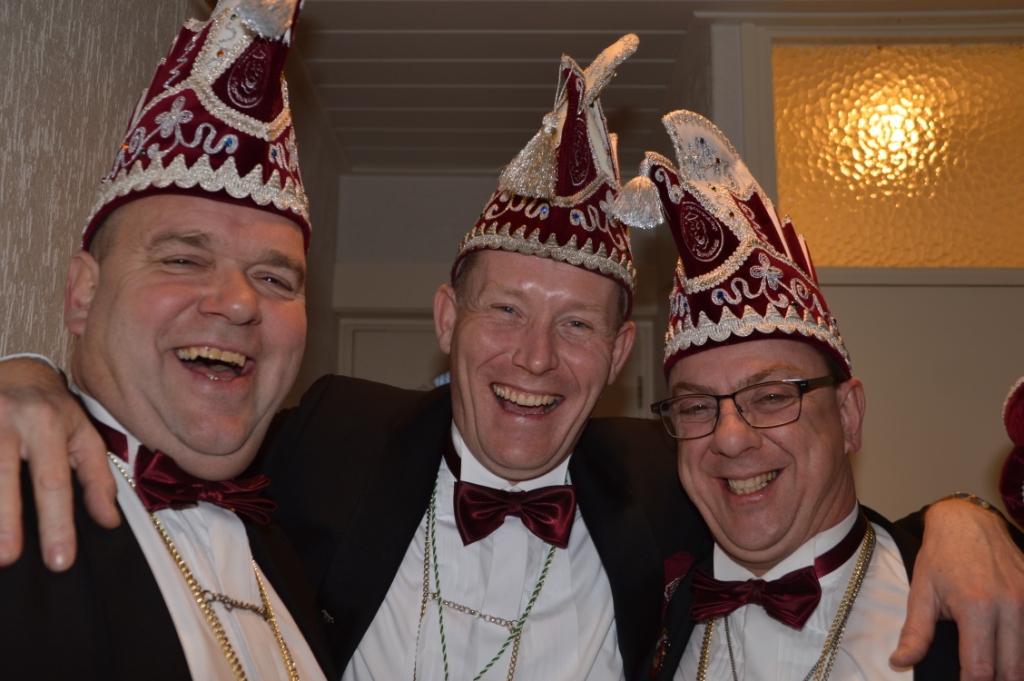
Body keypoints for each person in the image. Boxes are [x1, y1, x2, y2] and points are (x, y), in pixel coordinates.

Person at [2, 34, 1024, 681]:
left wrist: (963, 518)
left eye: (577, 325)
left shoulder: (669, 479)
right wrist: (31, 379)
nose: (536, 358)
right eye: (505, 311)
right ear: (447, 318)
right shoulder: (325, 440)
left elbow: (807, 507)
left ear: (619, 354)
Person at [610, 109, 1024, 679]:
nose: (729, 438)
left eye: (772, 396)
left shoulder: (981, 609)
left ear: (849, 415)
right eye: (697, 406)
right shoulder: (640, 612)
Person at [0, 2, 335, 678]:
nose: (239, 303)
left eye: (274, 278)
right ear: (83, 293)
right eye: (183, 258)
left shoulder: (290, 545)